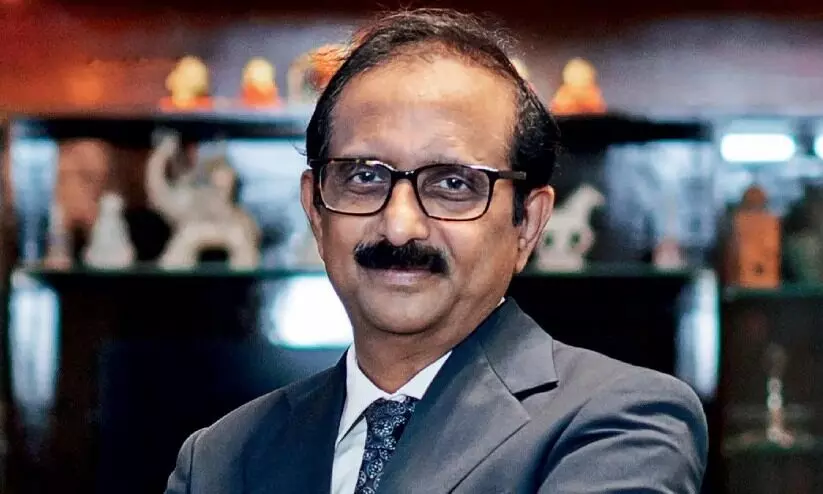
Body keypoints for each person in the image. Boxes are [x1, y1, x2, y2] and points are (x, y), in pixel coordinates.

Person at [165, 8, 708, 494]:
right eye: (364, 176)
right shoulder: (220, 459)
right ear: (315, 210)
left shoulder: (620, 423)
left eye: (453, 184)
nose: (400, 227)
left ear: (528, 223)